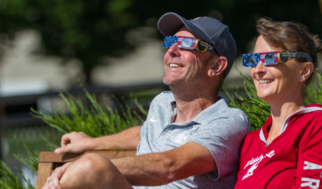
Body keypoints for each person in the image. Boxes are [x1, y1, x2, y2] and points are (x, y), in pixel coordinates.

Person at [42, 12, 251, 189]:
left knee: (90, 169)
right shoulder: (162, 104)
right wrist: (91, 143)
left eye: (186, 44)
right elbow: (145, 133)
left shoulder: (228, 121)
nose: (171, 51)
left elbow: (169, 166)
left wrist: (91, 164)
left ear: (216, 66)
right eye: (170, 42)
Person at [234, 18, 322, 189]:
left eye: (271, 58)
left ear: (304, 71)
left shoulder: (316, 124)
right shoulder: (250, 142)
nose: (257, 69)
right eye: (252, 59)